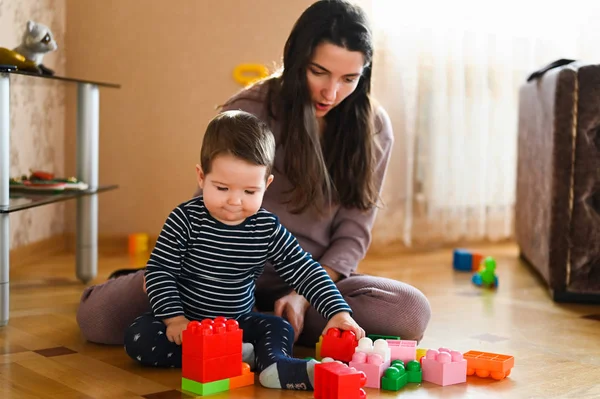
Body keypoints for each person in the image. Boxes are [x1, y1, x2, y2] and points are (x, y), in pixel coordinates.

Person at [76, 0, 431, 351]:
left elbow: (353, 235)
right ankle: (235, 317)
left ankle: (265, 324)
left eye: (349, 78)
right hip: (210, 277)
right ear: (295, 59)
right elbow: (210, 206)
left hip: (303, 279)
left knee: (408, 312)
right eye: (319, 72)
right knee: (97, 319)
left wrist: (303, 297)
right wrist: (191, 298)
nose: (331, 92)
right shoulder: (250, 111)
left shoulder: (373, 130)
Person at [124, 110, 364, 391]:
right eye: (222, 187)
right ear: (201, 177)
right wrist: (175, 319)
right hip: (188, 326)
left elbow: (305, 270)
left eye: (250, 192)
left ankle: (274, 366)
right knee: (139, 337)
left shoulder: (266, 227)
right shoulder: (185, 219)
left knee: (279, 327)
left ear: (267, 185)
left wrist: (338, 312)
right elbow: (159, 272)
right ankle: (232, 357)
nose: (234, 201)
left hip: (238, 325)